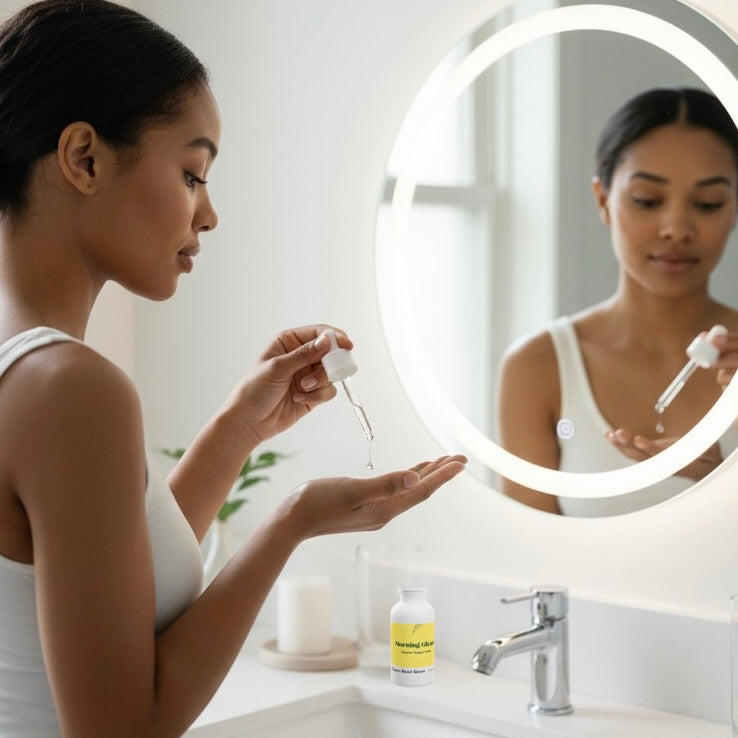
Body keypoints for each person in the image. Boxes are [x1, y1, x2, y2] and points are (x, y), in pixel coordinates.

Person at [0, 2, 467, 736]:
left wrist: (237, 431)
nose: (209, 214)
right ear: (84, 158)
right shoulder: (72, 388)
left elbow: (115, 584)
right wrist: (293, 520)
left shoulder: (25, 372)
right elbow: (125, 728)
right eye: (192, 173)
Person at [497, 86, 738, 517]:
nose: (676, 228)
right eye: (648, 200)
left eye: (708, 203)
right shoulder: (538, 367)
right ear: (603, 200)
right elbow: (529, 557)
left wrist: (719, 479)